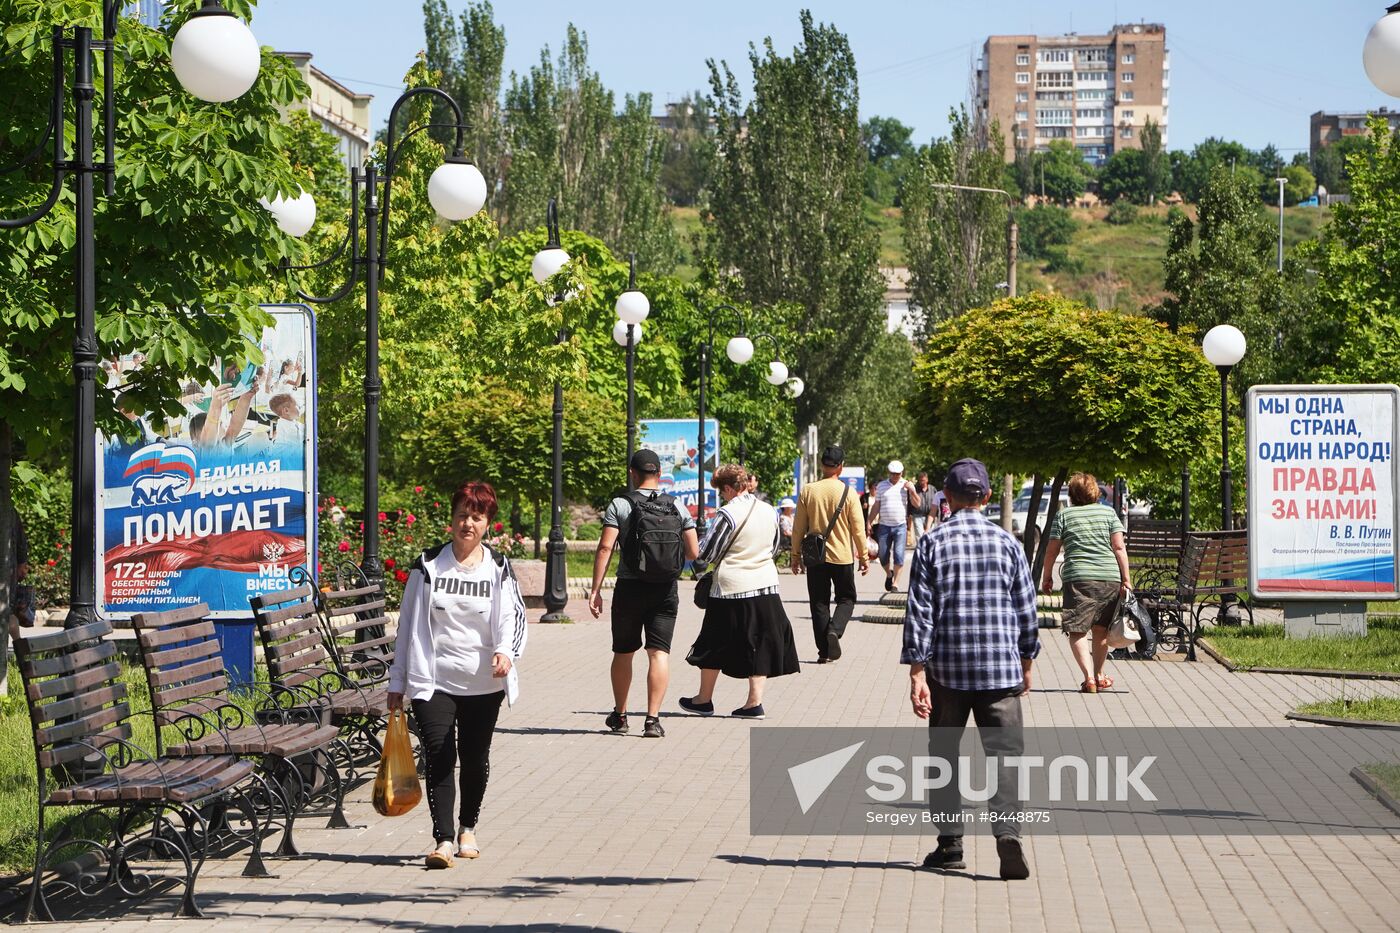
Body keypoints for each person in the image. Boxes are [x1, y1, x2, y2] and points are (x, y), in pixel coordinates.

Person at [902, 458, 1039, 881]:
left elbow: (920, 611)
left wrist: (916, 671)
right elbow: (1026, 609)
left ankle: (951, 844)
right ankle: (1007, 834)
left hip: (948, 670)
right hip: (1001, 669)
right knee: (1007, 757)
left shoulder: (931, 543)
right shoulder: (1009, 543)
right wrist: (1027, 660)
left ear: (946, 495)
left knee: (944, 755)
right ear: (986, 497)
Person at [388, 481, 528, 869]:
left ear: (488, 524)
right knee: (438, 754)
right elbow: (407, 625)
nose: (468, 523)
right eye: (462, 516)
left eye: (477, 517)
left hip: (483, 682)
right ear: (451, 520)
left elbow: (513, 616)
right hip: (433, 680)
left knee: (474, 756)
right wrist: (397, 681)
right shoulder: (428, 565)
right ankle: (443, 839)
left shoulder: (498, 567)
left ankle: (468, 827)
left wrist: (506, 651)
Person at [588, 450, 700, 739]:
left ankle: (621, 715)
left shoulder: (620, 505)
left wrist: (596, 590)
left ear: (632, 473)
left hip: (629, 588)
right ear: (659, 474)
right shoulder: (677, 506)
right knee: (658, 653)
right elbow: (693, 552)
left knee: (624, 652)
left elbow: (605, 548)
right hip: (665, 589)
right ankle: (652, 720)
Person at [680, 464, 799, 718]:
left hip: (731, 587)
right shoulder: (770, 511)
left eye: (721, 492)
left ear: (727, 488)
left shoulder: (728, 513)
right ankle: (753, 703)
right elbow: (776, 546)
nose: (722, 497)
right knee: (760, 642)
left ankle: (704, 699)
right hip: (766, 583)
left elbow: (708, 551)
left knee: (713, 641)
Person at [1040, 472, 1131, 694]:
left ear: (1071, 494)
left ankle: (1089, 678)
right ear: (1095, 492)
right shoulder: (1108, 513)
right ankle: (1099, 675)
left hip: (1078, 578)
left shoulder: (1064, 516)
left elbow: (1051, 550)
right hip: (1109, 578)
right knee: (1100, 630)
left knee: (1077, 630)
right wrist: (1126, 579)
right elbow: (1119, 548)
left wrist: (1047, 576)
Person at [791, 446, 868, 662]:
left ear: (822, 466)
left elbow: (798, 527)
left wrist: (795, 556)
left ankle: (824, 652)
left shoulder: (808, 490)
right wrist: (863, 556)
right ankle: (835, 629)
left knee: (818, 603)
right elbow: (858, 528)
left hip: (815, 557)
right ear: (840, 467)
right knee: (846, 598)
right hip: (842, 556)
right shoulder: (849, 492)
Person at [867, 460, 921, 592]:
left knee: (898, 554)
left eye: (898, 474)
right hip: (884, 525)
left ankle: (895, 583)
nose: (895, 476)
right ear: (889, 473)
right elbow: (876, 506)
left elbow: (918, 504)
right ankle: (889, 574)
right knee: (883, 555)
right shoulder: (881, 486)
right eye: (893, 474)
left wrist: (912, 491)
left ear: (902, 473)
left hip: (900, 526)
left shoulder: (906, 485)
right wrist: (868, 521)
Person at [908, 472, 935, 538]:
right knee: (919, 536)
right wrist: (908, 514)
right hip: (917, 515)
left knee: (931, 536)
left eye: (923, 480)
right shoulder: (914, 489)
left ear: (927, 480)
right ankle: (921, 548)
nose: (921, 482)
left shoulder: (932, 489)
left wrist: (937, 515)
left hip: (930, 516)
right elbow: (909, 502)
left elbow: (936, 502)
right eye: (920, 480)